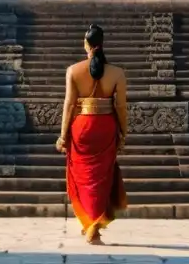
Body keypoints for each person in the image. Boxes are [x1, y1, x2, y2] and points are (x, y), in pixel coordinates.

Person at [56, 24, 128, 245]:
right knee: (101, 178)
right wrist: (123, 131)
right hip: (105, 127)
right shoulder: (117, 73)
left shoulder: (73, 70)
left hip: (82, 127)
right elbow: (121, 106)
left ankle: (91, 225)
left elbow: (69, 104)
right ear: (102, 43)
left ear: (85, 44)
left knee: (83, 176)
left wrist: (62, 135)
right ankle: (92, 225)